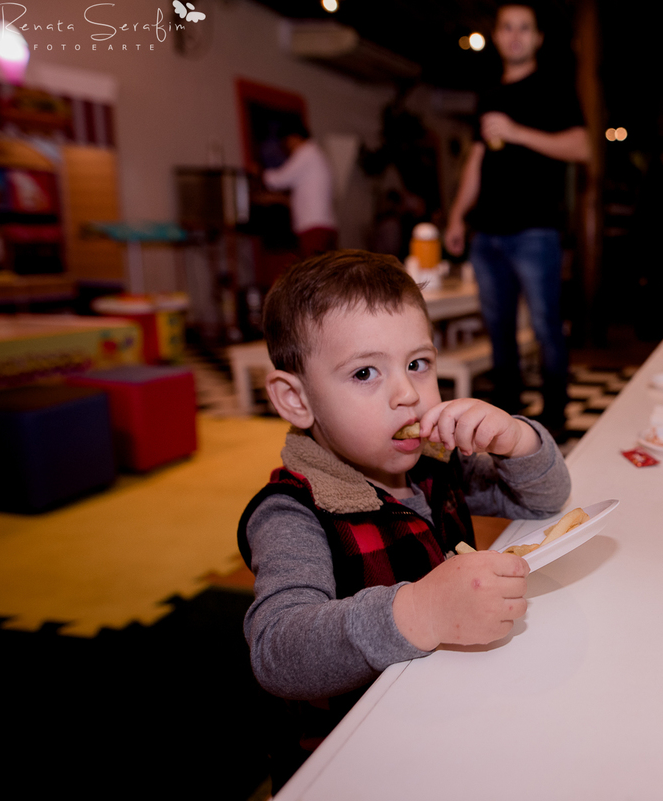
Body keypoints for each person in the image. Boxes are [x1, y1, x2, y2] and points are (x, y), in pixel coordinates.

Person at [238, 250, 571, 789]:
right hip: (351, 763)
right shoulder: (292, 512)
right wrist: (418, 610)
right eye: (366, 372)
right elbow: (277, 652)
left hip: (446, 716)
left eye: (418, 364)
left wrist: (515, 439)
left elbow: (546, 500)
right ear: (296, 400)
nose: (407, 395)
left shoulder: (435, 460)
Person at [444, 2, 590, 431]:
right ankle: (507, 421)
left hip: (535, 232)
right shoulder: (488, 96)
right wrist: (456, 217)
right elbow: (475, 162)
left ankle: (556, 420)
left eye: (524, 28)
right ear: (497, 36)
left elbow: (582, 148)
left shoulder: (555, 88)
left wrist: (517, 132)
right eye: (507, 28)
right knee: (498, 332)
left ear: (537, 38)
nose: (515, 35)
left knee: (546, 329)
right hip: (486, 234)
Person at [262, 120, 338, 257]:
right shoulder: (316, 154)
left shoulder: (306, 153)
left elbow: (279, 179)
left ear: (294, 137)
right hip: (322, 224)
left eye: (286, 142)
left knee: (313, 274)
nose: (286, 148)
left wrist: (259, 173)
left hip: (313, 226)